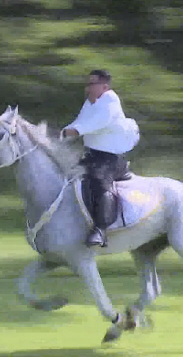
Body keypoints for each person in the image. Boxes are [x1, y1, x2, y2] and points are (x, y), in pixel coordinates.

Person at [60, 70, 140, 247]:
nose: (88, 88)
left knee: (99, 181)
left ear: (105, 86)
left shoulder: (111, 101)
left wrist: (72, 132)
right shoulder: (91, 103)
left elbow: (96, 123)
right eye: (88, 84)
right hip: (94, 156)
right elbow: (79, 121)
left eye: (92, 84)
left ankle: (100, 230)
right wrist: (61, 133)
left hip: (111, 159)